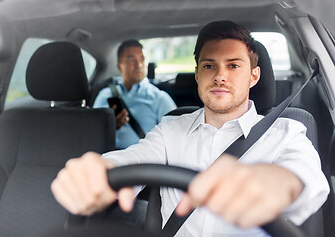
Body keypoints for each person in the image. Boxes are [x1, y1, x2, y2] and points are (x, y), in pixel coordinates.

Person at [51, 21, 329, 236]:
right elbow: (133, 157)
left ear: (253, 76)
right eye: (209, 65)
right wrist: (99, 171)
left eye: (233, 65)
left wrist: (274, 182)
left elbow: (305, 177)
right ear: (197, 75)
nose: (220, 75)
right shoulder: (170, 130)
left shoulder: (287, 132)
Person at [93, 39, 177, 149]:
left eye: (142, 59)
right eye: (132, 60)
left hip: (145, 161)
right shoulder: (105, 95)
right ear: (119, 66)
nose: (139, 65)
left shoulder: (160, 98)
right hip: (108, 158)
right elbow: (92, 134)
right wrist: (111, 127)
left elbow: (176, 139)